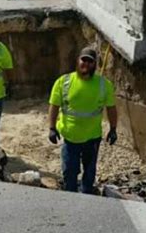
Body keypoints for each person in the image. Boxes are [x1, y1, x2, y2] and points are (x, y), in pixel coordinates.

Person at [48, 46, 117, 194]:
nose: (86, 64)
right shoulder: (64, 82)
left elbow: (111, 108)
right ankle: (71, 197)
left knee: (89, 172)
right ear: (78, 61)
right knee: (70, 171)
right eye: (83, 60)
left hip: (92, 138)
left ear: (95, 64)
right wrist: (52, 128)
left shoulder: (104, 85)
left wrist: (113, 129)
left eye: (90, 61)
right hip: (70, 138)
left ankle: (87, 199)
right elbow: (54, 106)